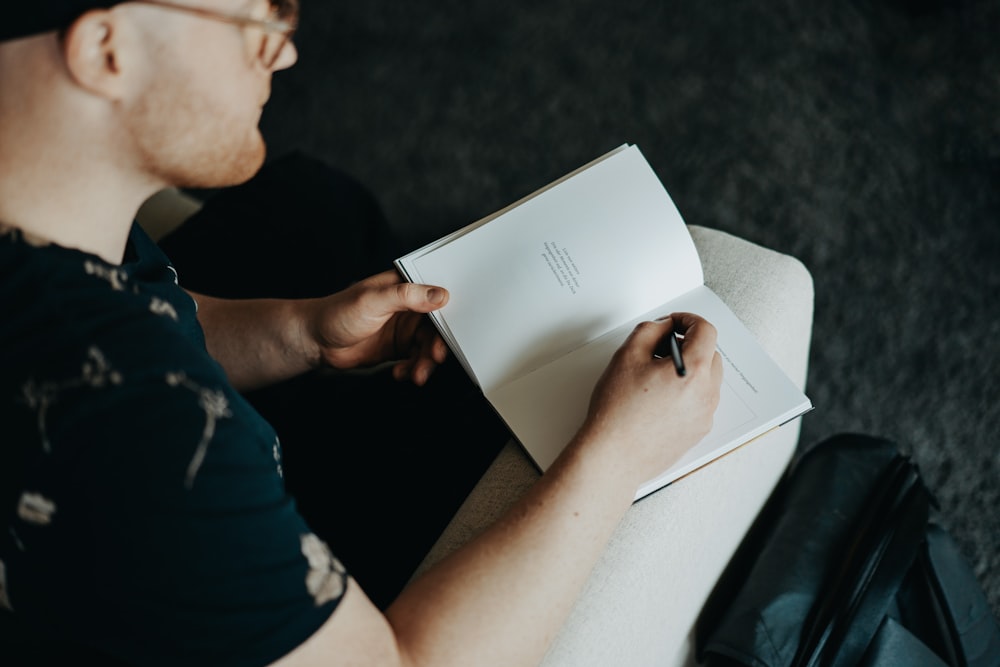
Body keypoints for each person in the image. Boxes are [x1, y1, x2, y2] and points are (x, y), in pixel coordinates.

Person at [0, 1, 723, 665]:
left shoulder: (44, 199)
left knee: (319, 206)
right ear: (104, 47)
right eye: (259, 16)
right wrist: (616, 454)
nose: (282, 52)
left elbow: (141, 307)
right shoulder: (146, 437)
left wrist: (302, 333)